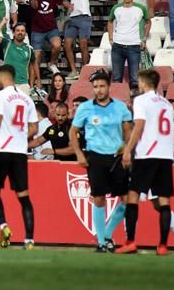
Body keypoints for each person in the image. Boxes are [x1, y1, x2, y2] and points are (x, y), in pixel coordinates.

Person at [69, 69, 132, 252]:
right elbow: (73, 132)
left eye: (102, 86)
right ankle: (101, 243)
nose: (99, 90)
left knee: (127, 199)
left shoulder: (120, 107)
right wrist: (79, 154)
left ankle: (106, 234)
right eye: (95, 87)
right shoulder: (85, 108)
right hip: (95, 156)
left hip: (117, 157)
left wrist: (127, 151)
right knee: (98, 198)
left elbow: (127, 130)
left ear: (109, 87)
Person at [117, 70, 174, 255]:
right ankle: (163, 245)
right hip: (165, 154)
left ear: (143, 83)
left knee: (132, 196)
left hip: (147, 154)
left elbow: (140, 126)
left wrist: (128, 149)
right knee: (164, 201)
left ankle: (131, 241)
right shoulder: (167, 103)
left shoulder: (141, 100)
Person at [0, 65, 38, 249]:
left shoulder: (0, 96)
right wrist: (20, 136)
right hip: (20, 152)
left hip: (0, 150)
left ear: (1, 76)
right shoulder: (27, 99)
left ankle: (4, 226)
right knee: (23, 196)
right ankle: (29, 240)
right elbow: (34, 129)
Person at [108, 0, 150, 89]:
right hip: (117, 46)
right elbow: (110, 21)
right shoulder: (116, 8)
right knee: (117, 78)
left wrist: (144, 38)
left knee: (134, 80)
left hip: (134, 46)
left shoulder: (141, 8)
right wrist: (110, 38)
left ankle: (133, 103)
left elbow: (148, 21)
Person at [60, 0, 93, 79]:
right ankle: (74, 70)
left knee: (83, 44)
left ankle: (84, 71)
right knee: (67, 45)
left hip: (84, 17)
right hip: (72, 18)